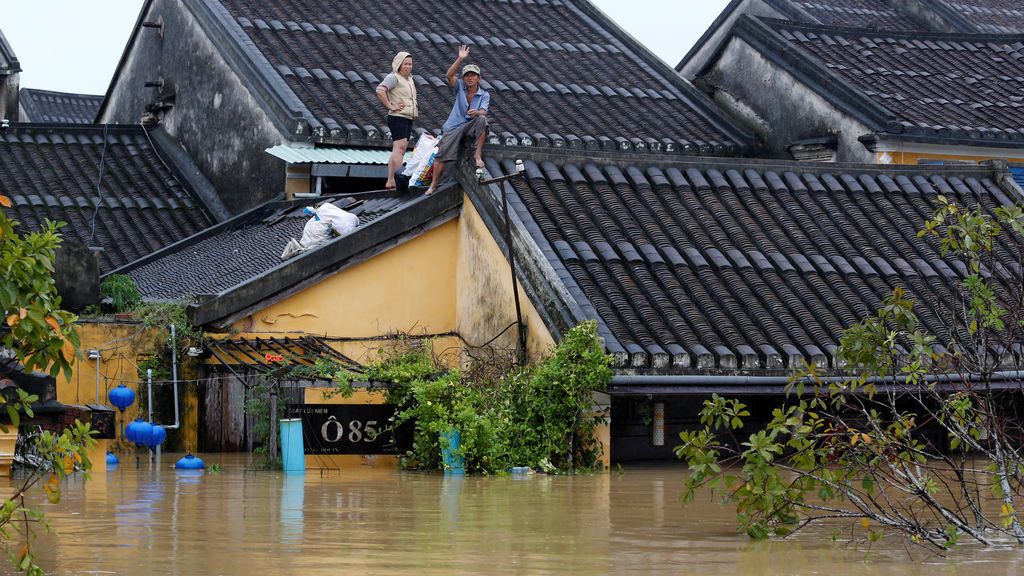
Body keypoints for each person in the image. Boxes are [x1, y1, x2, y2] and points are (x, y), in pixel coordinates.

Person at [425, 45, 490, 195]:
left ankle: (477, 155)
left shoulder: (484, 94)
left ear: (479, 78)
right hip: (453, 127)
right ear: (463, 78)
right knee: (441, 154)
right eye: (467, 76)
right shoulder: (459, 86)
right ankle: (433, 185)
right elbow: (449, 75)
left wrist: (476, 112)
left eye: (473, 75)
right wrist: (460, 59)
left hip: (470, 125)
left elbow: (484, 111)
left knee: (482, 120)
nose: (470, 78)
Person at [376, 51, 418, 190]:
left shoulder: (409, 79)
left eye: (410, 64)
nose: (408, 66)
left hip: (407, 116)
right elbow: (380, 90)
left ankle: (391, 180)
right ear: (399, 64)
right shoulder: (394, 77)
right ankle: (398, 179)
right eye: (405, 64)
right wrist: (390, 106)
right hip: (398, 116)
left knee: (399, 148)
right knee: (400, 148)